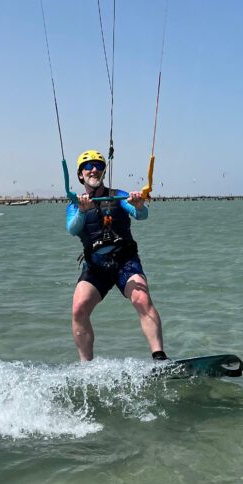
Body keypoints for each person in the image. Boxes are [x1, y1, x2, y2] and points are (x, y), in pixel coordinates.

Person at [67, 149, 166, 362]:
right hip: (96, 267)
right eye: (88, 166)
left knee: (141, 297)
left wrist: (139, 205)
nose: (94, 169)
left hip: (124, 262)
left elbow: (141, 215)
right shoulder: (75, 204)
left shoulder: (119, 195)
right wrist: (83, 211)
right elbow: (72, 229)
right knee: (78, 309)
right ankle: (86, 368)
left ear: (104, 172)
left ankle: (159, 358)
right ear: (80, 174)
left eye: (99, 166)